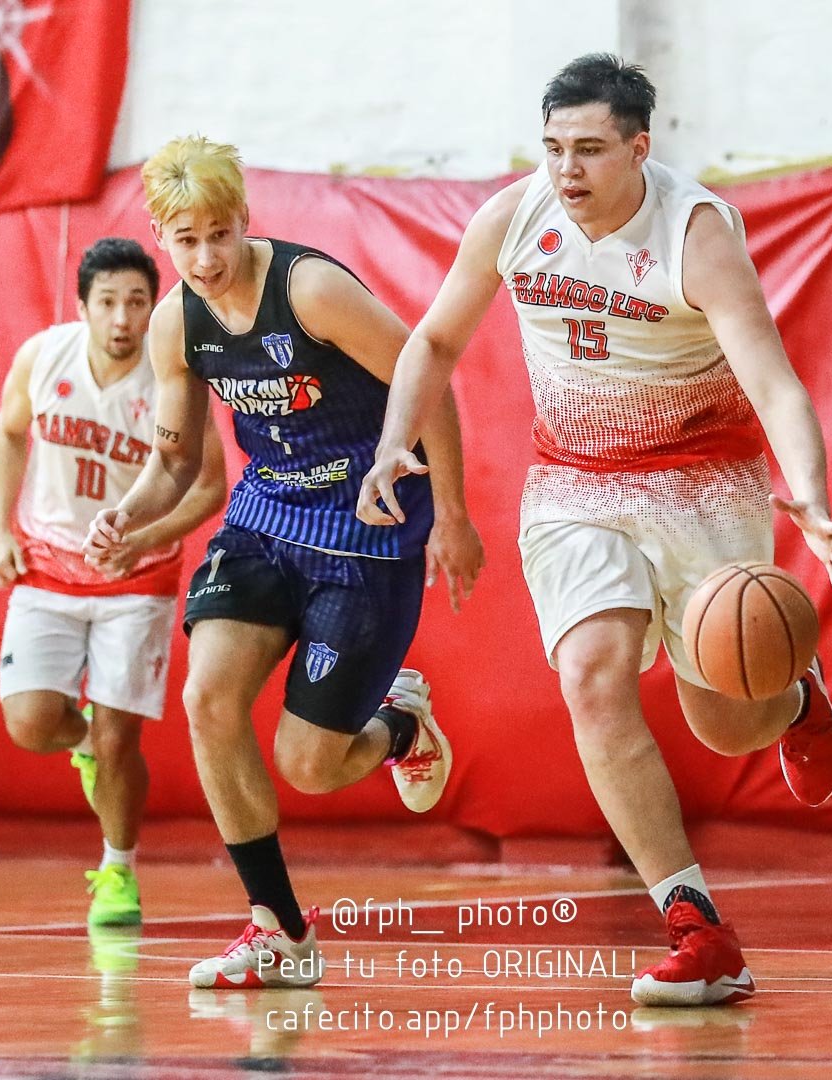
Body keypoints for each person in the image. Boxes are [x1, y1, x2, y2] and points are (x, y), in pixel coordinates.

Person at [358, 54, 832, 1007]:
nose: (567, 171)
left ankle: (793, 699)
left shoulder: (696, 234)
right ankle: (697, 929)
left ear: (639, 147)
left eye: (589, 150)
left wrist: (811, 493)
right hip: (575, 483)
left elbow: (772, 378)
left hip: (703, 483)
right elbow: (432, 340)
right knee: (591, 674)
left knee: (725, 722)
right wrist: (392, 445)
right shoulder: (514, 219)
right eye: (553, 148)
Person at [82, 136, 484, 990]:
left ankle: (401, 724)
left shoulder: (310, 290)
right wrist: (128, 513)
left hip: (366, 528)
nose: (205, 257)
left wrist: (452, 514)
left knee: (309, 765)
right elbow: (175, 462)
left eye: (218, 235)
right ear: (161, 236)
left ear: (243, 223)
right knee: (206, 696)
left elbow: (429, 379)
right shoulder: (175, 324)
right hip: (265, 522)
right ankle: (280, 933)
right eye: (184, 240)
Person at [0, 237, 228, 926]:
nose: (123, 318)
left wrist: (144, 539)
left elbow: (209, 486)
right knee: (32, 722)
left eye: (137, 303)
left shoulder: (175, 377)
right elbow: (7, 434)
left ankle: (118, 871)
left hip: (136, 576)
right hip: (49, 563)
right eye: (109, 302)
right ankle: (83, 743)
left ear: (155, 309)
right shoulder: (42, 357)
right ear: (83, 307)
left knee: (125, 740)